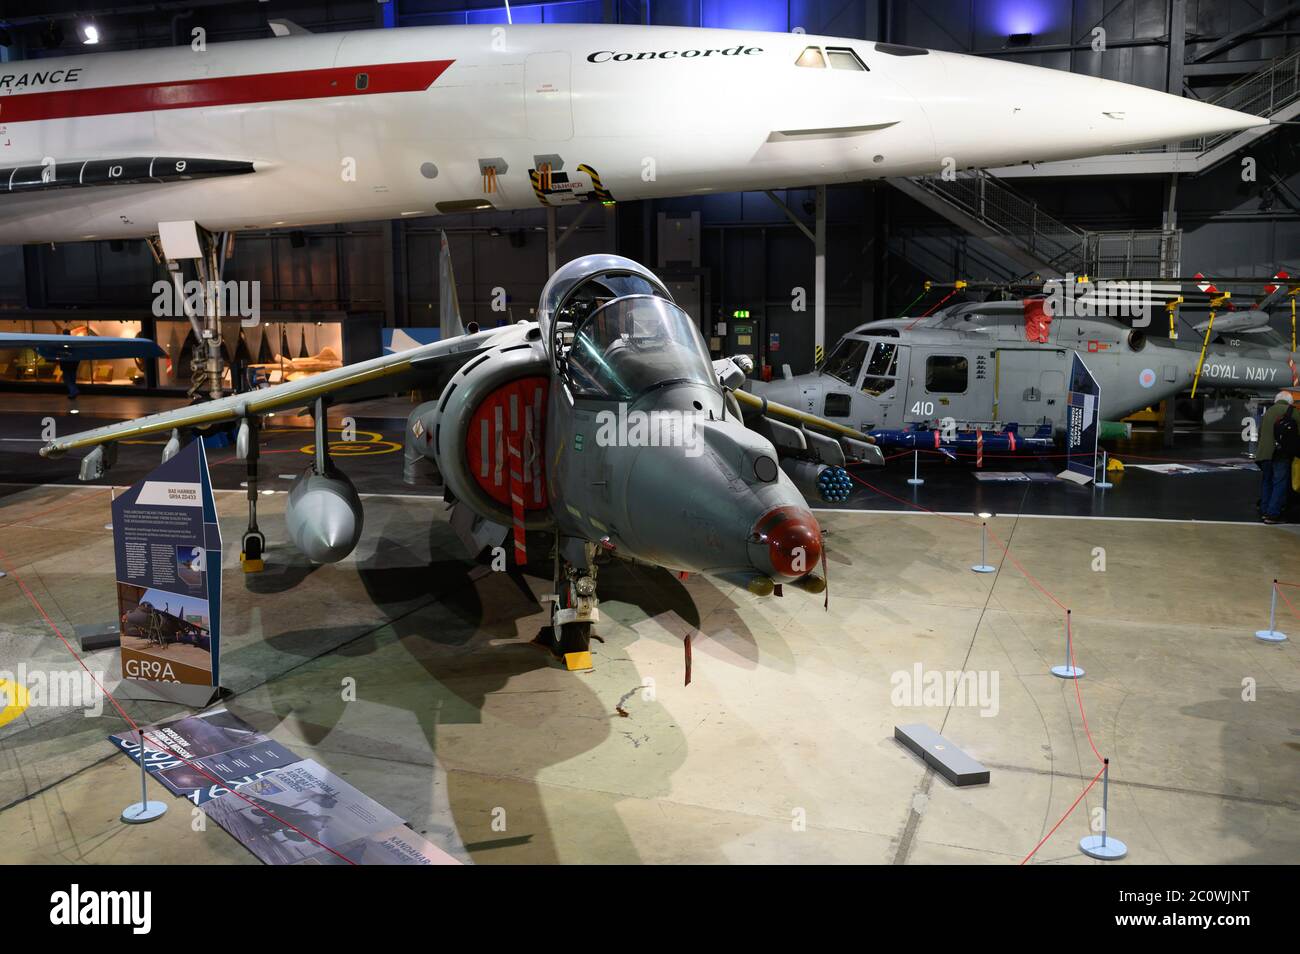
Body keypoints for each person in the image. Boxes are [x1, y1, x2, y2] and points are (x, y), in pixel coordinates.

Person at [1257, 390, 1298, 524]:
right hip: (1280, 454)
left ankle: (1264, 511)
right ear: (1290, 401)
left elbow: (1260, 433)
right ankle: (1272, 514)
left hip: (1263, 454)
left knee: (1267, 481)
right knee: (1279, 483)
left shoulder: (1267, 412)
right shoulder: (1292, 412)